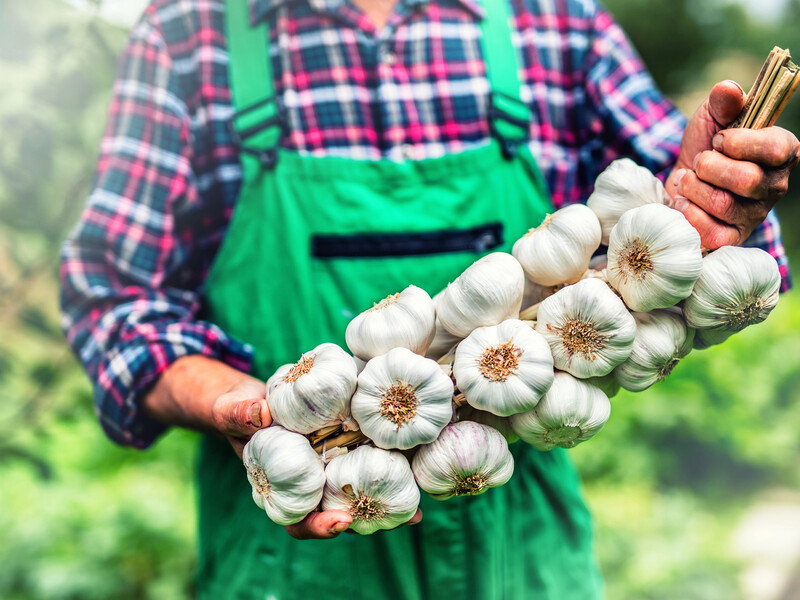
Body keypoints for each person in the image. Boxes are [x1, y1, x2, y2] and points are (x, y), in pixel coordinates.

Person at [60, 0, 799, 598]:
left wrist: (713, 201)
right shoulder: (189, 33)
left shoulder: (555, 21)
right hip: (293, 547)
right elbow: (113, 303)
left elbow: (700, 254)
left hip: (520, 551)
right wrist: (234, 405)